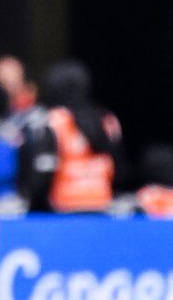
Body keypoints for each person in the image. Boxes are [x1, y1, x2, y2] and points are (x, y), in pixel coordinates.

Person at [14, 60, 127, 213]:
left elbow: (43, 173)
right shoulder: (108, 120)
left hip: (62, 208)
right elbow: (119, 169)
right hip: (102, 204)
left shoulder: (52, 121)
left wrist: (31, 205)